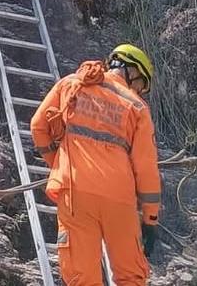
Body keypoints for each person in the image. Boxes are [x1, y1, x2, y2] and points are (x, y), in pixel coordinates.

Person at [30, 44, 161, 286]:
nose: (140, 91)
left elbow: (38, 126)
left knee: (82, 278)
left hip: (76, 192)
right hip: (120, 200)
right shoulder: (138, 107)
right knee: (131, 277)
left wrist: (59, 166)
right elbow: (146, 168)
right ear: (131, 71)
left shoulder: (72, 83)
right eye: (142, 83)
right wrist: (150, 219)